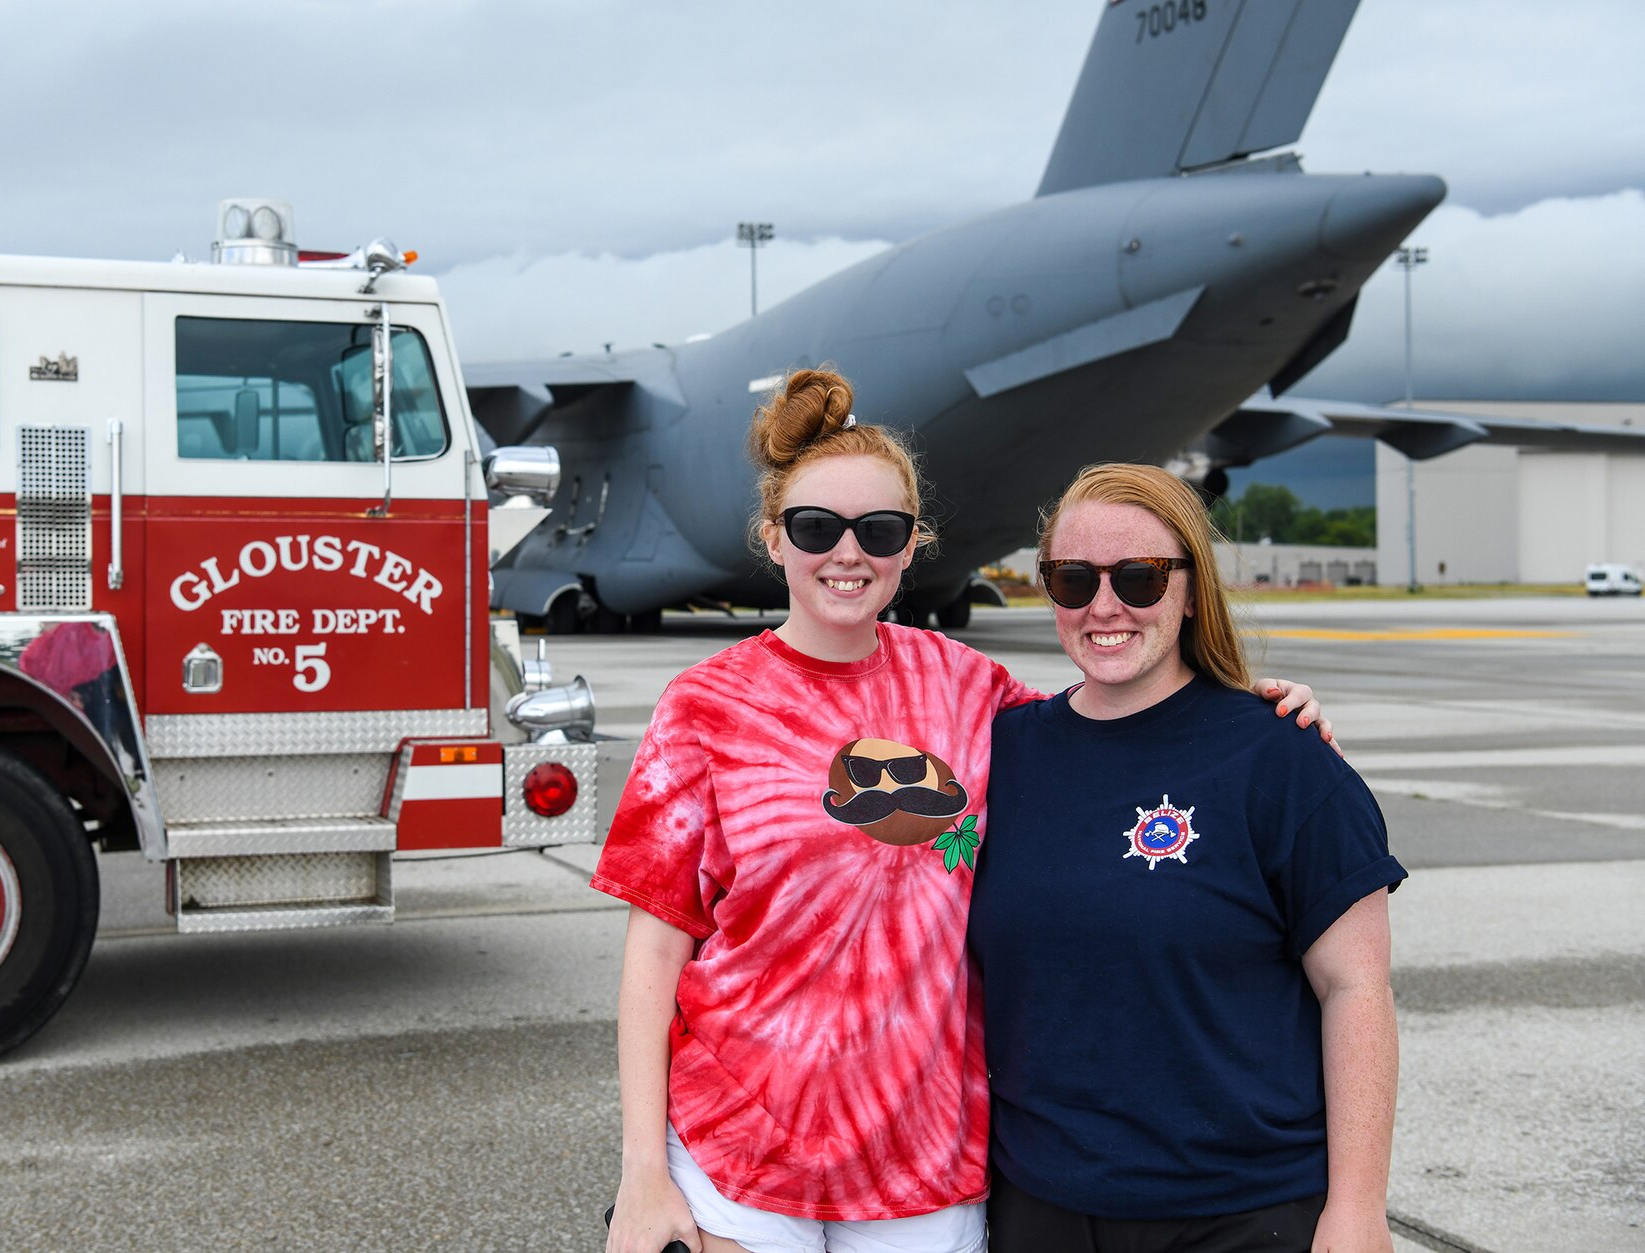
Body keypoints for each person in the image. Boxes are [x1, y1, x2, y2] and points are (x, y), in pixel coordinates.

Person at [595, 371, 1333, 1253]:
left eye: (880, 530)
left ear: (913, 546)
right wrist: (643, 1169)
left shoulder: (965, 685)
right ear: (773, 538)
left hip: (924, 1154)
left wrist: (1244, 711)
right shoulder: (703, 706)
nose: (848, 552)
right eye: (815, 527)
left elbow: (1109, 721)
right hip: (739, 1150)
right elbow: (653, 957)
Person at [971, 462, 1404, 1253]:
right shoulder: (997, 754)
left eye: (1138, 578)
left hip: (1240, 1213)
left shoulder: (1283, 760)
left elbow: (1357, 987)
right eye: (1072, 578)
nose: (1104, 606)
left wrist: (1359, 1206)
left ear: (1192, 587)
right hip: (1040, 1205)